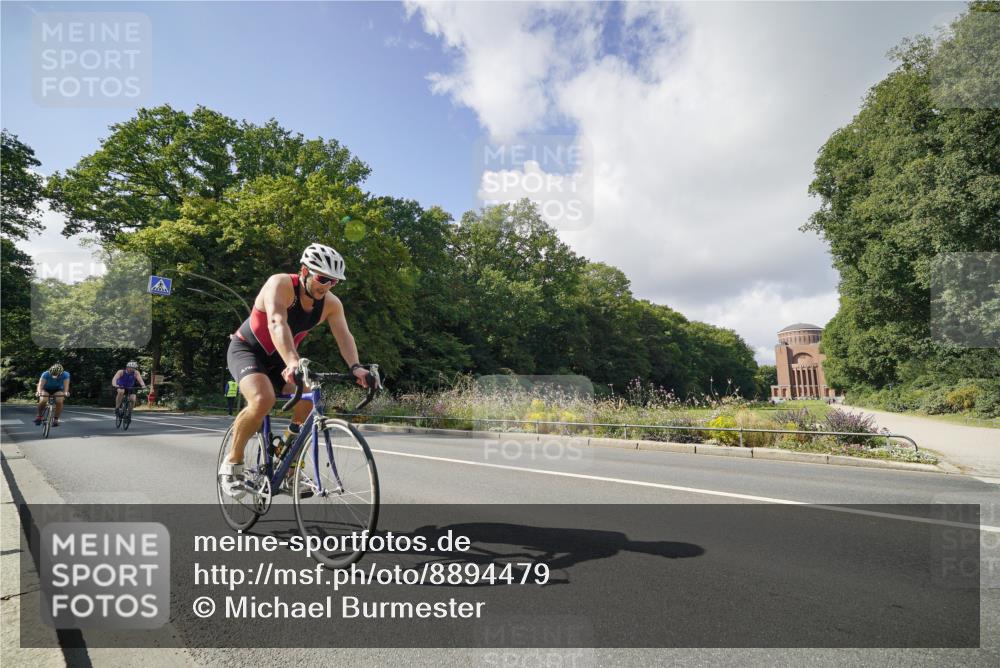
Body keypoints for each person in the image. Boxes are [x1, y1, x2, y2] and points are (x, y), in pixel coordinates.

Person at [220, 243, 377, 499]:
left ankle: (289, 459)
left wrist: (356, 367)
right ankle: (233, 463)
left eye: (333, 282)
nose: (326, 286)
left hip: (283, 359)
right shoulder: (280, 284)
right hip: (247, 350)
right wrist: (293, 361)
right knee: (262, 399)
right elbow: (276, 323)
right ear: (304, 271)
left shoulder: (331, 304)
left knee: (309, 398)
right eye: (322, 278)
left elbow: (344, 336)